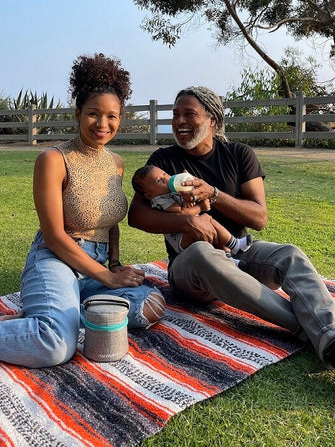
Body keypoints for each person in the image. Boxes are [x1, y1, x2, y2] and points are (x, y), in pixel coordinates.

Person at [128, 85, 335, 369]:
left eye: (189, 114)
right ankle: (314, 333)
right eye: (175, 115)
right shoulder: (163, 161)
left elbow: (259, 218)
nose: (179, 121)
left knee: (290, 254)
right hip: (193, 269)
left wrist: (213, 194)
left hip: (241, 253)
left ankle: (329, 333)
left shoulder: (239, 154)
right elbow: (136, 216)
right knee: (203, 252)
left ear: (212, 119)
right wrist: (188, 220)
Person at [0, 53, 165, 368]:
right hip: (55, 261)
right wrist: (107, 278)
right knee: (55, 345)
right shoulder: (54, 160)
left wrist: (116, 264)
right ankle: (53, 317)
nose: (103, 124)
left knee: (149, 305)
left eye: (112, 116)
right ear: (78, 113)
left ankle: (55, 311)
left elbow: (111, 221)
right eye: (94, 114)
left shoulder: (116, 164)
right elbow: (54, 237)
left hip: (93, 271)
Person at [131, 164, 252, 259]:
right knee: (207, 219)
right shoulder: (160, 200)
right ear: (149, 194)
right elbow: (182, 213)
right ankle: (234, 244)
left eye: (164, 173)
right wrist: (200, 207)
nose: (165, 179)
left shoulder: (171, 191)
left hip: (190, 229)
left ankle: (229, 257)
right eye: (158, 181)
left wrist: (187, 181)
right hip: (181, 238)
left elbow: (187, 200)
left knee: (213, 231)